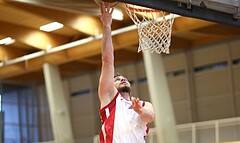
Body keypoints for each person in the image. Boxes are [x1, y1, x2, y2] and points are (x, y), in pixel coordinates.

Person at [98, 3, 155, 143]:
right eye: (117, 79)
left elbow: (150, 116)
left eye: (124, 78)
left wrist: (140, 111)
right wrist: (107, 26)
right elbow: (107, 61)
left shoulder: (142, 104)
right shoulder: (109, 98)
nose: (122, 79)